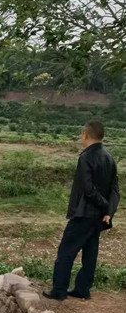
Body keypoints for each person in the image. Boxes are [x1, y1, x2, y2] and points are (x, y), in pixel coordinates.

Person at [44, 121, 120, 301]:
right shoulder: (109, 158)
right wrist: (109, 212)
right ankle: (82, 289)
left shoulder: (85, 157)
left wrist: (104, 206)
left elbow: (88, 190)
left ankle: (59, 290)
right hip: (99, 218)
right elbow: (115, 190)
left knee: (66, 251)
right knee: (90, 253)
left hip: (84, 214)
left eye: (81, 134)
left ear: (85, 134)